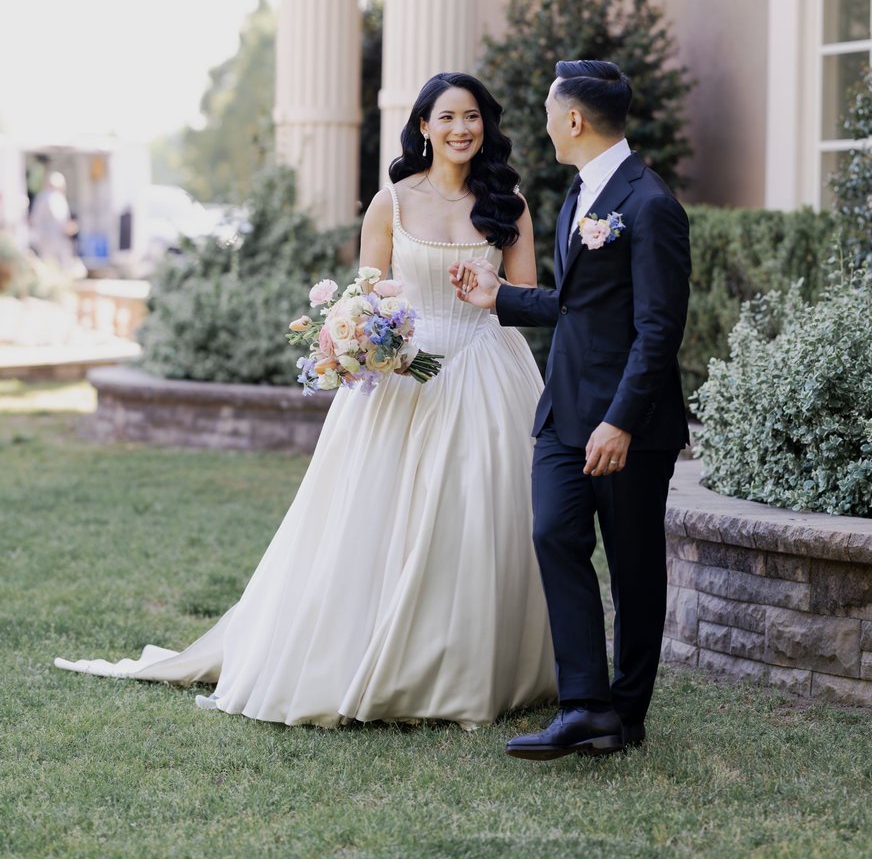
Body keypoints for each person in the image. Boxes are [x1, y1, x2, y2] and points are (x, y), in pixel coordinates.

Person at [55, 74, 555, 729]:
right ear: (424, 127)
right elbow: (367, 295)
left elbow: (526, 299)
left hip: (487, 370)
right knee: (375, 518)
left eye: (472, 117)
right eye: (447, 117)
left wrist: (489, 289)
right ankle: (368, 653)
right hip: (404, 375)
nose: (461, 129)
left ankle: (472, 666)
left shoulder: (507, 206)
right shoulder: (391, 203)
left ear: (485, 125)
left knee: (482, 511)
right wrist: (364, 339)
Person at [452, 59, 690, 759]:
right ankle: (584, 704)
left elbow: (658, 329)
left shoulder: (650, 204)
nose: (547, 126)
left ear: (575, 120)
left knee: (634, 568)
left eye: (551, 114)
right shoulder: (579, 194)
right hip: (563, 412)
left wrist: (620, 421)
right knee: (554, 534)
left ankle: (627, 713)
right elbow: (574, 303)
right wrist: (497, 297)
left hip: (627, 424)